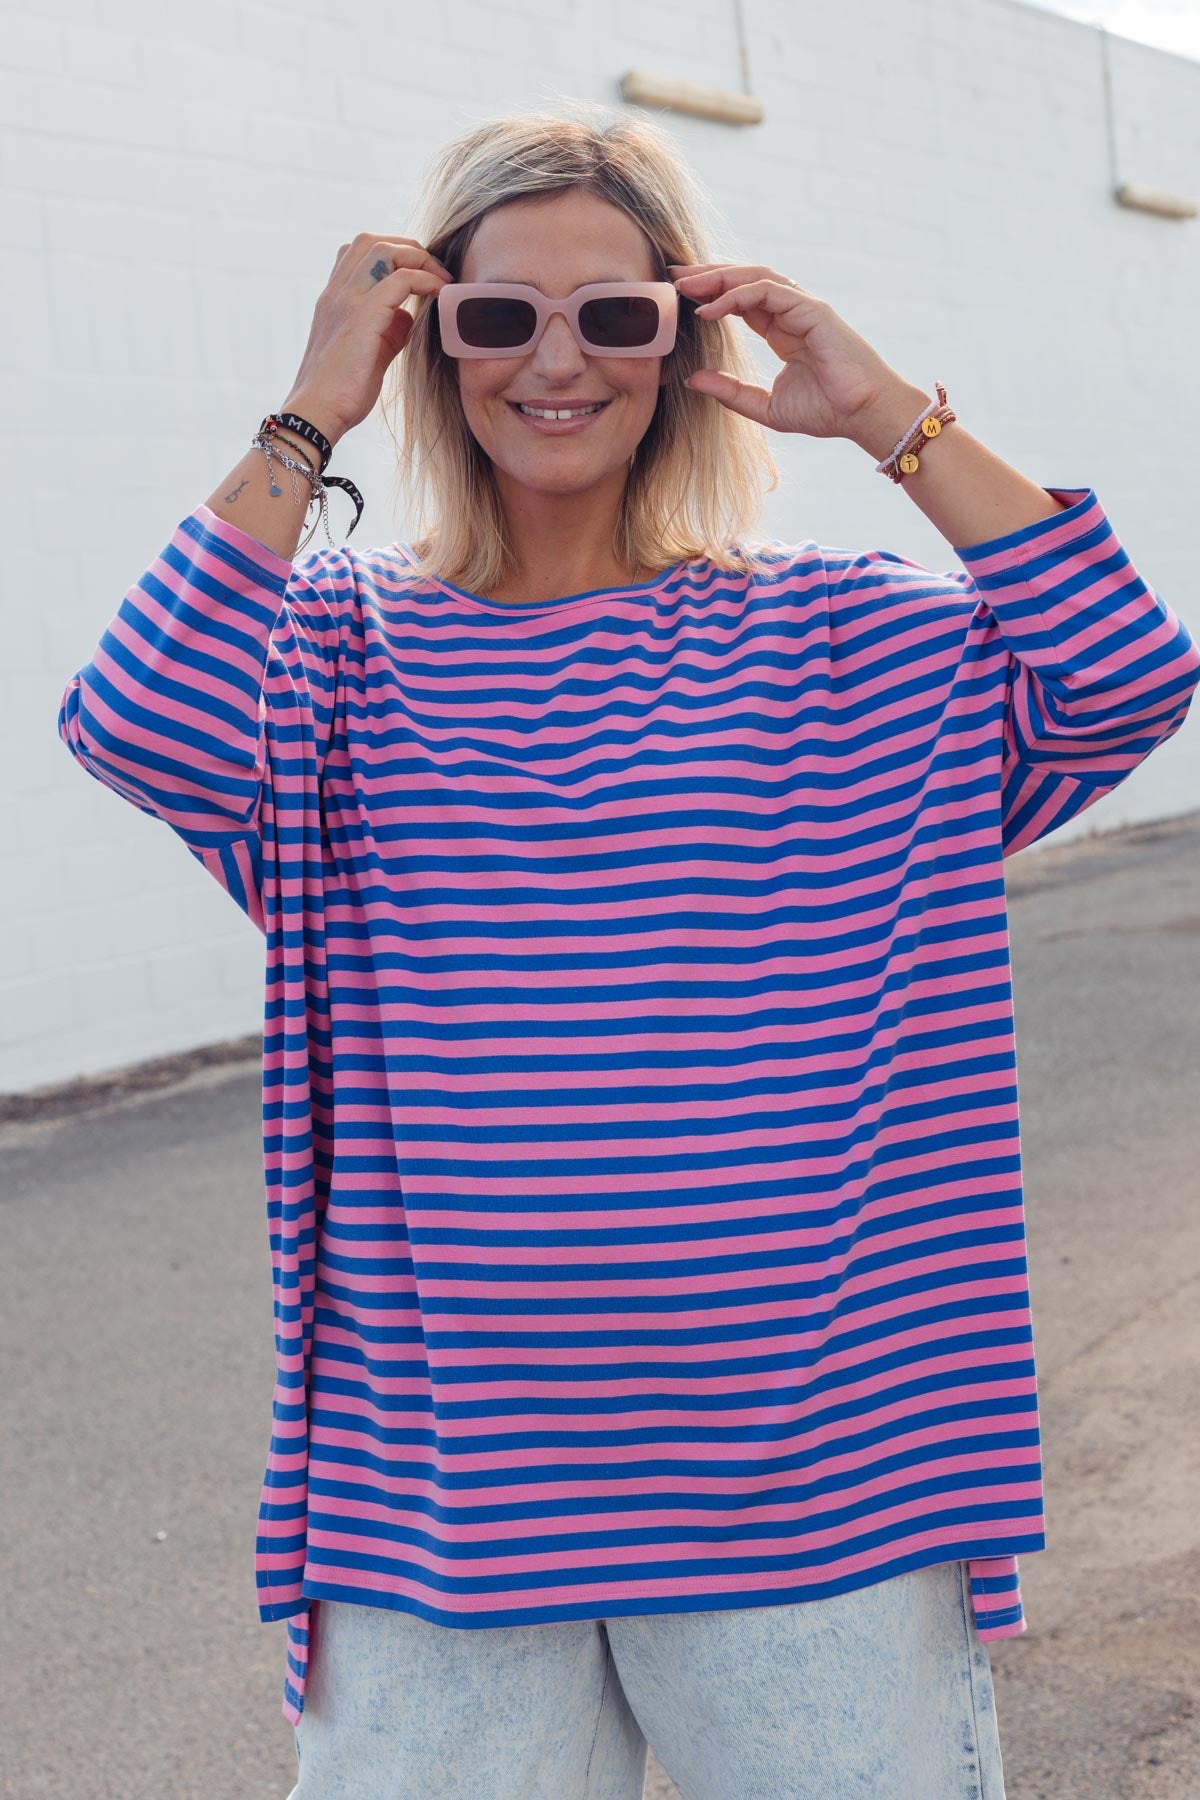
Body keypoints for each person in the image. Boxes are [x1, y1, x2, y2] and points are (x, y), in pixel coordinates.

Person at [57, 101, 1199, 1800]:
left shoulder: (839, 638)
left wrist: (886, 415)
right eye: (497, 313)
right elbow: (135, 725)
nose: (556, 359)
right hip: (439, 1506)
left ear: (681, 337)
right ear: (434, 337)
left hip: (822, 1492)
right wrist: (311, 409)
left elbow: (1124, 678)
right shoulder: (333, 654)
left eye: (614, 312)